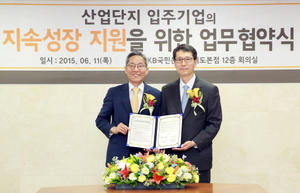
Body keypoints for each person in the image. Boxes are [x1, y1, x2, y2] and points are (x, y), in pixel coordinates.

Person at [161, 44, 222, 183]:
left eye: (188, 59)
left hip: (199, 157)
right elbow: (163, 120)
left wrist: (195, 142)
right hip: (172, 159)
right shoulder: (167, 90)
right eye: (179, 59)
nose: (183, 63)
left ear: (195, 61)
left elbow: (214, 122)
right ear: (174, 62)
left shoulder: (209, 90)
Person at [96, 51, 162, 165]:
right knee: (117, 184)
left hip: (147, 155)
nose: (136, 69)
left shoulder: (157, 94)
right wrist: (114, 129)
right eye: (132, 65)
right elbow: (101, 120)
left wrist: (157, 144)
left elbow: (160, 124)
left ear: (147, 70)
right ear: (125, 69)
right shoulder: (114, 92)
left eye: (140, 66)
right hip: (118, 153)